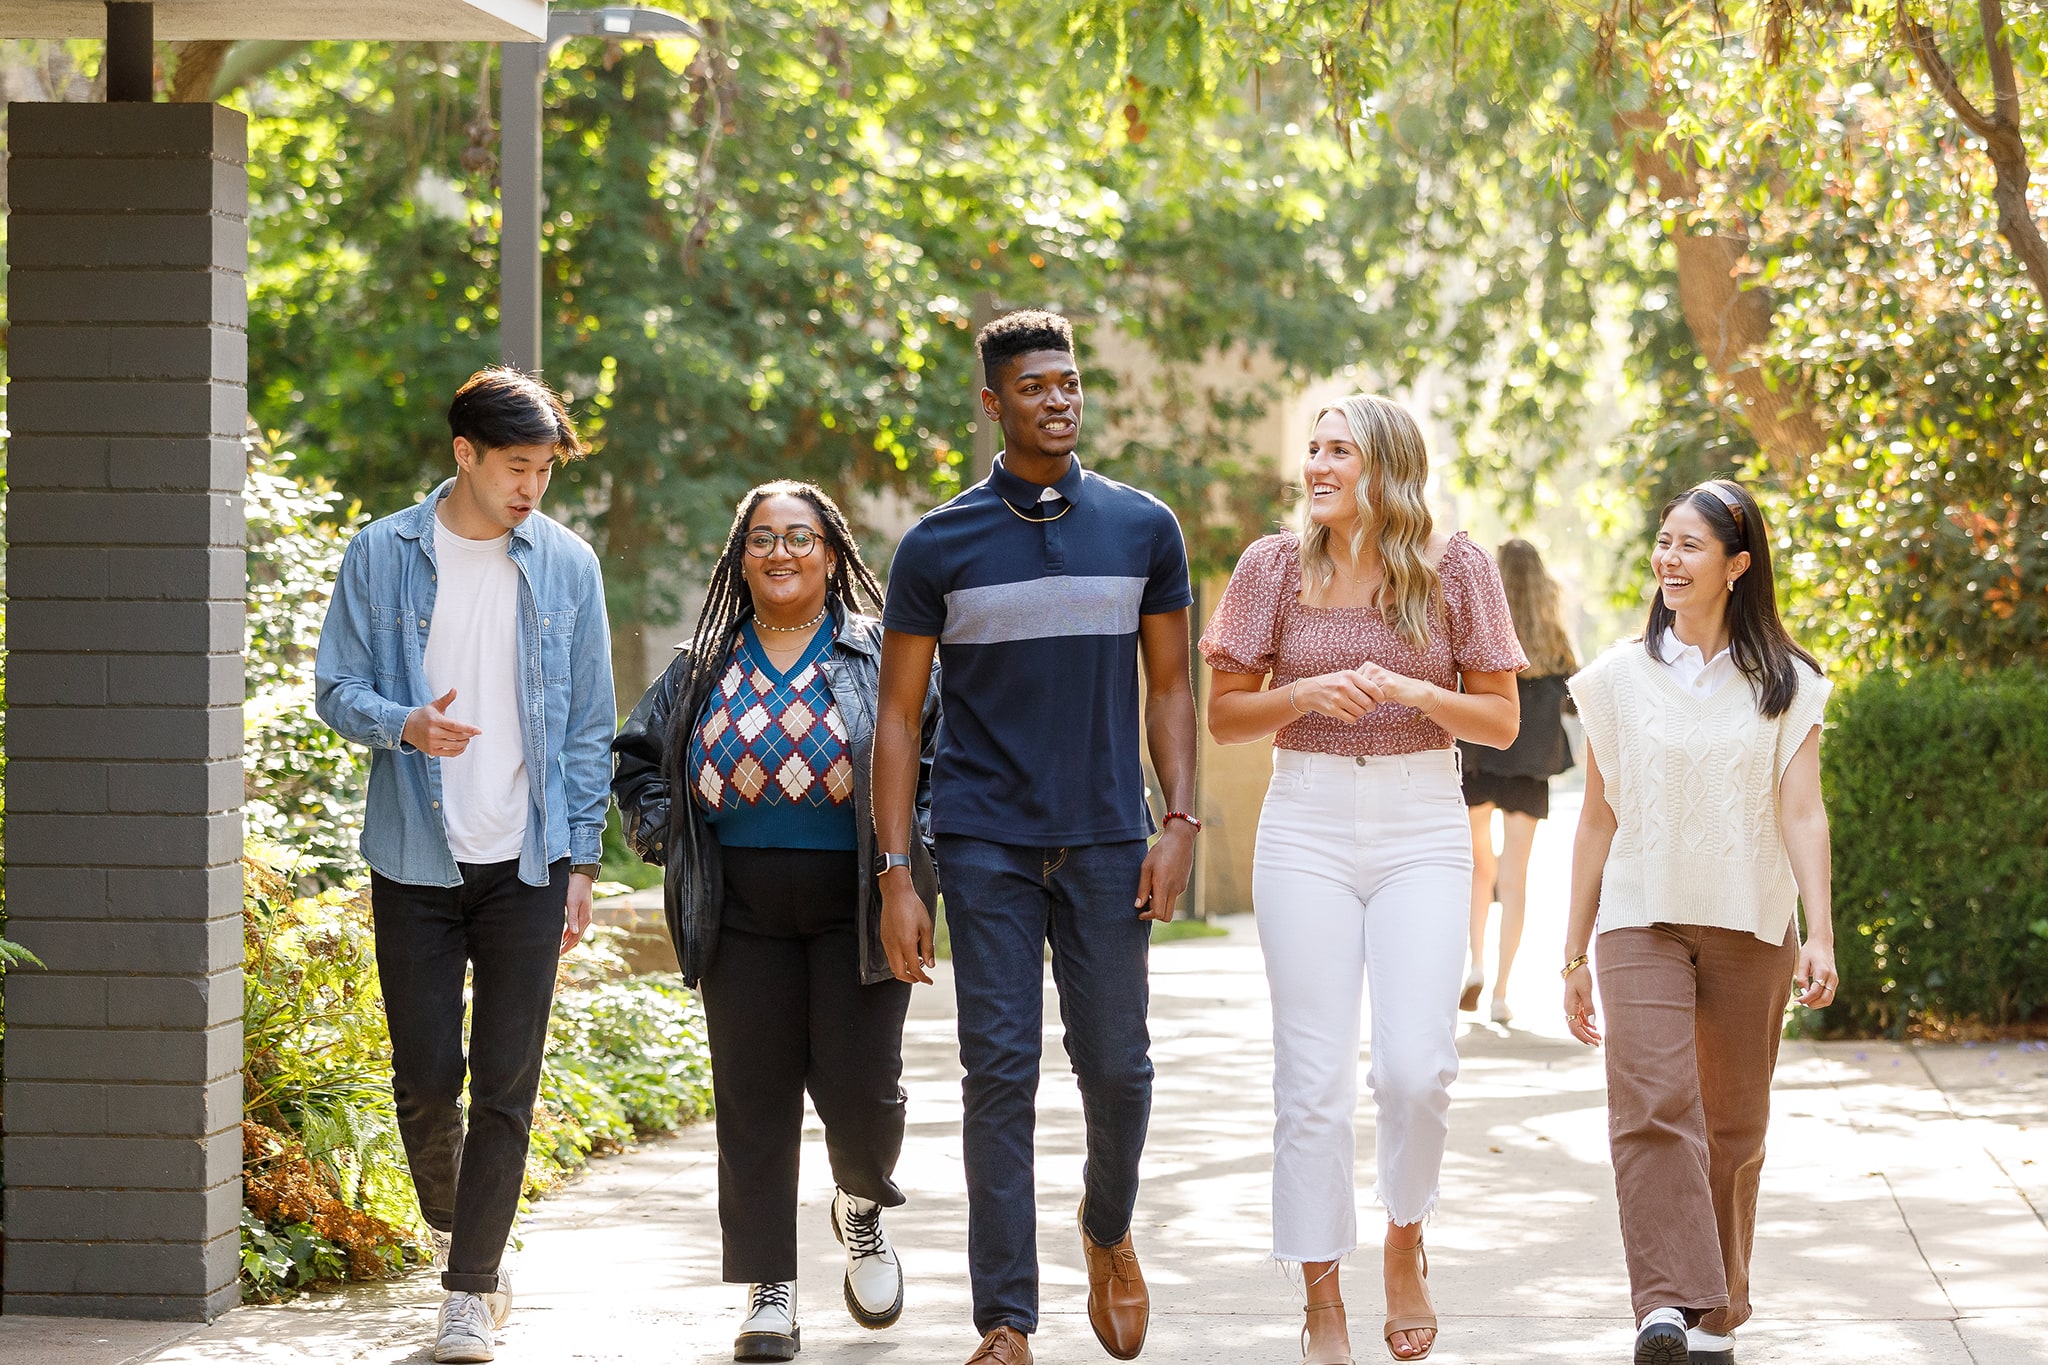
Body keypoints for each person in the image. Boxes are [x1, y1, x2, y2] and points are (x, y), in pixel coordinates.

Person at [870, 309, 1199, 1365]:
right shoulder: (936, 545)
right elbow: (896, 717)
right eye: (1032, 386)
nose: (1056, 399)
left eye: (1066, 382)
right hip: (984, 841)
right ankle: (1005, 1322)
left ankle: (1105, 1227)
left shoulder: (1143, 528)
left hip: (1108, 836)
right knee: (996, 1072)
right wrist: (895, 874)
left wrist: (1179, 817)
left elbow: (1170, 688)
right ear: (991, 402)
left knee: (1117, 1068)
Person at [1200, 394, 1524, 1365]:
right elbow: (1221, 714)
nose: (1315, 464)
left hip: (1422, 819)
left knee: (1414, 1068)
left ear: (1385, 464)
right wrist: (1299, 694)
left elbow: (1500, 722)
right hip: (1302, 819)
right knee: (1310, 1083)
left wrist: (1418, 692)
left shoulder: (1456, 569)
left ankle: (1403, 1237)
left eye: (1336, 448)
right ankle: (1320, 1294)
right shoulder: (1269, 568)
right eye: (1311, 448)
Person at [314, 367, 615, 1365]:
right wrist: (403, 725)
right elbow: (334, 687)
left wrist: (579, 861)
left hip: (527, 864)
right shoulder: (382, 553)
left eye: (544, 469)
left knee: (504, 1085)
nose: (532, 485)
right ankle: (461, 1229)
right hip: (415, 859)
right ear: (465, 455)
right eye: (516, 466)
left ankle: (468, 1290)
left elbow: (587, 726)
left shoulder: (567, 565)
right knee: (423, 1080)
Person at [611, 481, 940, 1364]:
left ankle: (862, 1208)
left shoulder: (878, 655)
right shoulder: (702, 661)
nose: (781, 552)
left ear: (832, 554)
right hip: (740, 906)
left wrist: (916, 868)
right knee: (752, 1103)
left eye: (800, 537)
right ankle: (770, 1286)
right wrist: (664, 835)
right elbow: (638, 758)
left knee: (864, 1099)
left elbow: (935, 759)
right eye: (762, 538)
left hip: (859, 901)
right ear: (740, 556)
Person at [1561, 479, 1836, 1365]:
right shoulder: (1614, 680)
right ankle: (1665, 1306)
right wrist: (1572, 949)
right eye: (1663, 542)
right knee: (1651, 1102)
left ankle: (1718, 1307)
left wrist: (1820, 931)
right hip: (1640, 915)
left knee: (1734, 1125)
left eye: (1689, 546)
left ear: (1736, 565)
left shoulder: (1788, 685)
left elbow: (1803, 812)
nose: (1667, 559)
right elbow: (1597, 818)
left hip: (1751, 921)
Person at [1457, 538, 1579, 1026]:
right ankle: (1503, 992)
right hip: (1530, 765)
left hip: (1481, 758)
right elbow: (1574, 701)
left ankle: (1476, 963)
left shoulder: (1485, 630)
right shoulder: (1553, 640)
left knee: (1477, 869)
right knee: (1515, 876)